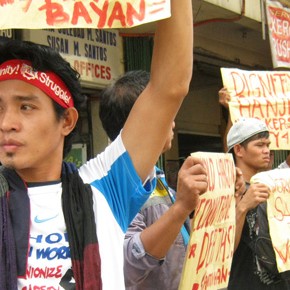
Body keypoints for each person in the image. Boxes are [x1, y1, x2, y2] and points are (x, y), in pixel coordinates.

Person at [0, 0, 194, 289]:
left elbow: (169, 88)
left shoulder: (102, 187)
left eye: (26, 107)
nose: (6, 123)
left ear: (66, 120)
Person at [99, 70, 246, 290]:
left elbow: (189, 240)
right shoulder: (108, 185)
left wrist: (225, 196)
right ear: (143, 120)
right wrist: (181, 208)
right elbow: (128, 264)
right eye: (167, 113)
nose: (174, 123)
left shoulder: (154, 176)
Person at [226, 117, 290, 289]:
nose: (267, 151)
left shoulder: (277, 186)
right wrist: (242, 206)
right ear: (239, 149)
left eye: (268, 145)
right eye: (260, 145)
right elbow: (223, 252)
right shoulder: (227, 190)